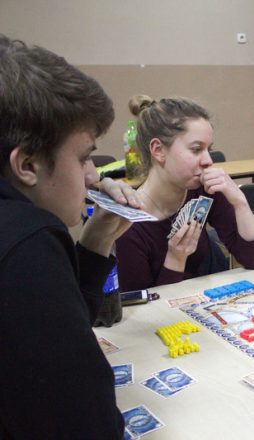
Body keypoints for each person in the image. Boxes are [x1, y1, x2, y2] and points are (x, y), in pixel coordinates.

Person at [0, 34, 143, 438]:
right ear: (27, 164)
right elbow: (88, 424)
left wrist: (95, 243)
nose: (93, 176)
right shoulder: (26, 237)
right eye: (84, 157)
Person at [115, 95, 254, 291]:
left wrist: (239, 202)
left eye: (209, 149)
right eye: (196, 149)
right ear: (158, 150)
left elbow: (252, 259)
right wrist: (176, 259)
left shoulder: (204, 189)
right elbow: (139, 304)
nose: (208, 160)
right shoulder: (128, 224)